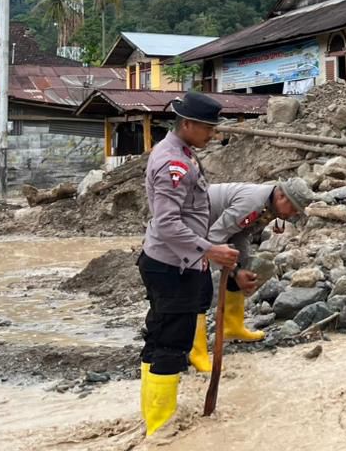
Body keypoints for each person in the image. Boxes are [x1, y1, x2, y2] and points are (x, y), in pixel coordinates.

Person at [137, 92, 237, 437]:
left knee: (159, 339)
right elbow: (167, 223)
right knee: (170, 345)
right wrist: (209, 250)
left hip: (173, 262)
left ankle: (153, 417)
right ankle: (160, 428)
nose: (212, 134)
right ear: (188, 124)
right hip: (172, 267)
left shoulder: (182, 153)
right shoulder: (173, 163)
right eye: (208, 128)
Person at [187, 178, 312, 373]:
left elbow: (240, 233)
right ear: (281, 196)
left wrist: (242, 265)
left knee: (241, 264)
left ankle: (232, 327)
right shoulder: (253, 203)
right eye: (294, 208)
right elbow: (215, 237)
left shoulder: (269, 206)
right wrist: (235, 271)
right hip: (192, 227)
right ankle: (197, 352)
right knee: (199, 288)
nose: (294, 214)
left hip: (212, 227)